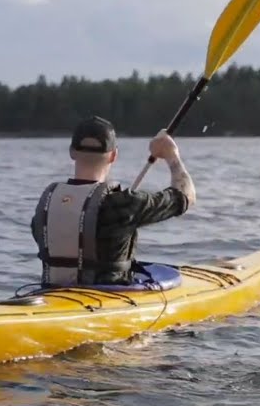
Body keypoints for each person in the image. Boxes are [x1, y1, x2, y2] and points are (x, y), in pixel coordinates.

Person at [30, 115, 196, 287]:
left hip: (50, 296)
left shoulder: (47, 205)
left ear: (72, 152)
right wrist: (171, 154)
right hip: (108, 301)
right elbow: (186, 196)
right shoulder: (125, 204)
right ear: (113, 156)